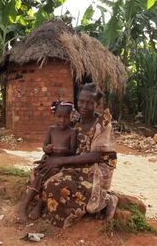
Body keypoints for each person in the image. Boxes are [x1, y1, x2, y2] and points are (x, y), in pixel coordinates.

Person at [29, 83, 118, 228]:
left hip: (95, 169)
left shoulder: (102, 125)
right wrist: (51, 151)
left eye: (89, 103)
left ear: (97, 104)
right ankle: (41, 202)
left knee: (56, 185)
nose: (83, 106)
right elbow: (60, 134)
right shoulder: (75, 118)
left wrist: (60, 161)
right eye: (81, 101)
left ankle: (107, 200)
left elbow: (95, 156)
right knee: (40, 171)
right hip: (73, 162)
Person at [17, 101, 77, 223]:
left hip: (62, 164)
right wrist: (47, 148)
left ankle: (39, 204)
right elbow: (44, 147)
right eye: (59, 117)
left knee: (52, 176)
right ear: (54, 116)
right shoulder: (51, 130)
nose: (62, 120)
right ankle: (25, 205)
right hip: (49, 160)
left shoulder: (72, 132)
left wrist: (63, 150)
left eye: (66, 117)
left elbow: (72, 152)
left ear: (71, 116)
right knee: (40, 176)